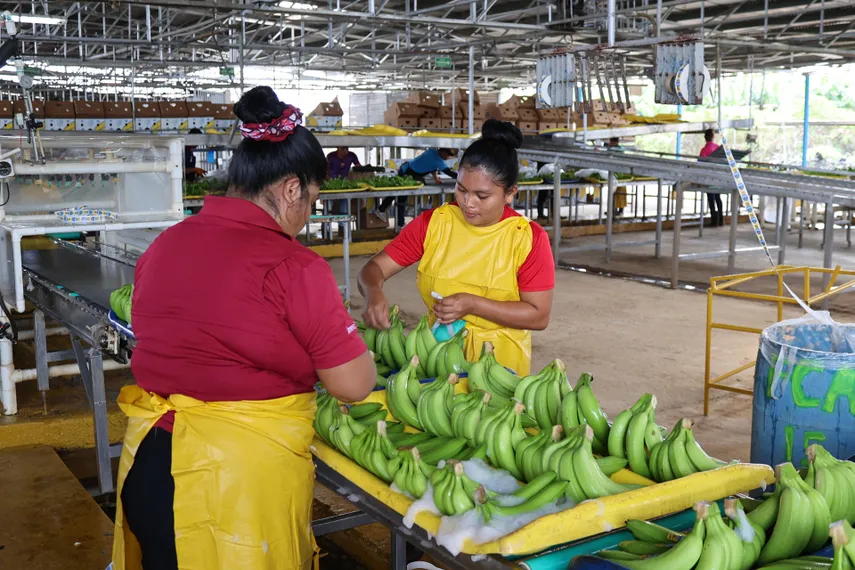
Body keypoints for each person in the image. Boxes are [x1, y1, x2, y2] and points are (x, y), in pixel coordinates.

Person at [112, 86, 376, 570]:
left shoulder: (165, 245)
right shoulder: (293, 265)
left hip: (149, 467)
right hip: (232, 487)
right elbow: (353, 384)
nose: (307, 216)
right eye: (311, 201)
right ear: (292, 188)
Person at [358, 120, 554, 376]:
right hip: (435, 354)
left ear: (510, 193)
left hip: (500, 367)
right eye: (461, 190)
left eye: (482, 196)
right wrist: (373, 292)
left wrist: (473, 304)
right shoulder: (434, 224)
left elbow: (538, 316)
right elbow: (374, 269)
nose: (468, 203)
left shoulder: (527, 238)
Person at [375, 147, 458, 228]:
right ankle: (398, 222)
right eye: (447, 155)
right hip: (407, 172)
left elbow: (432, 167)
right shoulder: (438, 161)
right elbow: (450, 173)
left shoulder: (432, 151)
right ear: (443, 152)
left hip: (408, 170)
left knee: (397, 192)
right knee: (401, 197)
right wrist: (462, 178)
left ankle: (382, 210)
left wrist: (436, 179)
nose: (447, 158)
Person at [699, 129, 723, 226]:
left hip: (708, 177)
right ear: (713, 137)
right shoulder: (718, 148)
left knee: (711, 198)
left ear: (705, 137)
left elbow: (700, 164)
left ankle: (714, 220)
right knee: (718, 197)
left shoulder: (704, 150)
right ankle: (721, 219)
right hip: (717, 177)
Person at [606, 137, 628, 216]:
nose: (610, 143)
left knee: (620, 193)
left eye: (611, 142)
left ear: (615, 142)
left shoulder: (619, 149)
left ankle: (620, 210)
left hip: (620, 173)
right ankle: (613, 210)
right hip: (615, 173)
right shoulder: (612, 148)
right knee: (613, 193)